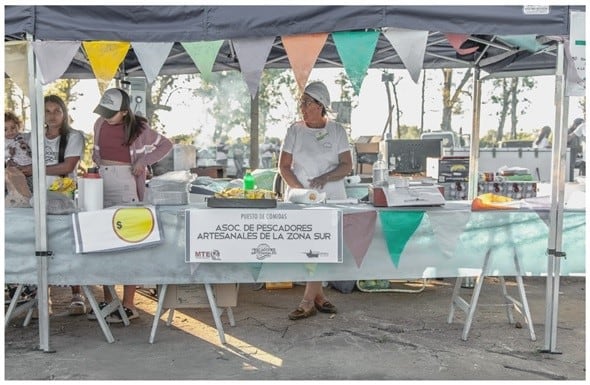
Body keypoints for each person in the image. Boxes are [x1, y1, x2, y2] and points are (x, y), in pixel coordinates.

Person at [89, 87, 173, 323]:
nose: (106, 116)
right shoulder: (99, 124)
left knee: (129, 242)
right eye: (104, 111)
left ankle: (128, 303)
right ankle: (109, 298)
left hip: (128, 183)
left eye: (111, 112)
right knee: (103, 242)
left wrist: (143, 161)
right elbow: (96, 151)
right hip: (102, 181)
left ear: (124, 112)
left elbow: (166, 145)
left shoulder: (140, 128)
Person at [278, 81, 353, 320]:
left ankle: (309, 300)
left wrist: (325, 177)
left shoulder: (337, 131)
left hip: (332, 197)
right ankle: (317, 297)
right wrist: (302, 192)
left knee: (324, 247)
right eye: (301, 102)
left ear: (321, 105)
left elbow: (347, 166)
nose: (302, 107)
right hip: (303, 199)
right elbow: (284, 167)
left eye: (307, 102)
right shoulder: (294, 130)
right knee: (308, 247)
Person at [18, 95, 87, 316]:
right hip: (36, 197)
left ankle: (77, 293)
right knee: (41, 245)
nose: (52, 115)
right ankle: (42, 296)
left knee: (69, 242)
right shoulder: (31, 138)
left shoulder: (73, 137)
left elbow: (68, 165)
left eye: (57, 110)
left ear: (64, 113)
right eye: (47, 111)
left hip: (63, 196)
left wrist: (34, 169)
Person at [5, 111, 33, 192]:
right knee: (18, 185)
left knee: (30, 184)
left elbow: (30, 147)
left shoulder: (23, 136)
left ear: (18, 126)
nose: (10, 131)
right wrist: (8, 152)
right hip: (16, 166)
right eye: (5, 129)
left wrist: (26, 147)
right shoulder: (4, 141)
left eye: (13, 127)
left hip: (29, 164)